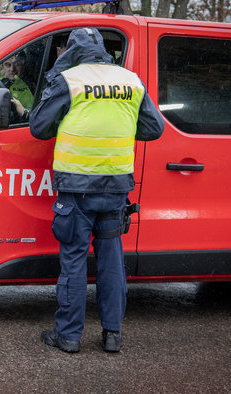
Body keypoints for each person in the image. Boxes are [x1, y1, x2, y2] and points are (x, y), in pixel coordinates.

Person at [29, 28, 165, 353]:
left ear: (70, 51)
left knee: (74, 259)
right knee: (111, 259)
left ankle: (69, 336)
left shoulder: (70, 80)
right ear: (103, 50)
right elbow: (154, 128)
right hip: (116, 186)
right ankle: (113, 335)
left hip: (77, 187)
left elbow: (38, 127)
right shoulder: (130, 81)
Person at [1, 53, 34, 121]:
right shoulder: (0, 84)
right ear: (3, 68)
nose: (12, 69)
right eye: (7, 65)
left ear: (23, 66)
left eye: (16, 64)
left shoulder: (28, 85)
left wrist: (23, 112)